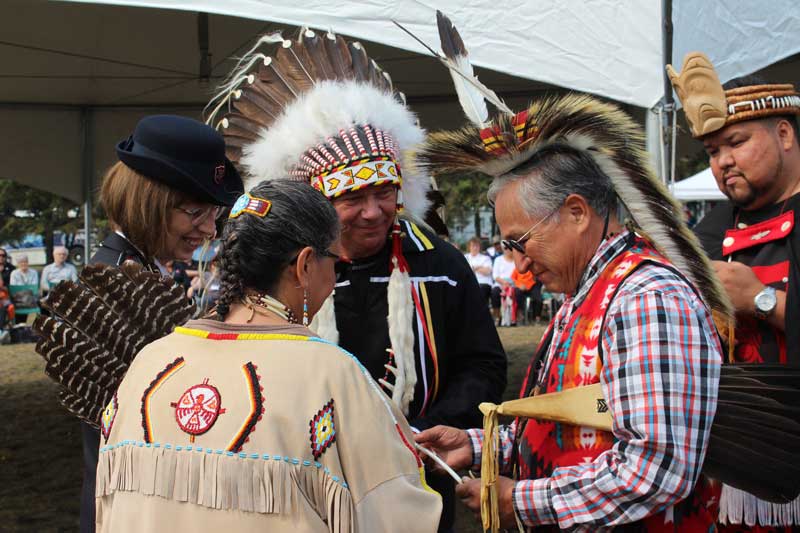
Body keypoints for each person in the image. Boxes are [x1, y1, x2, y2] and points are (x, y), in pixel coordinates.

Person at [206, 28, 507, 532]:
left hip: (417, 476)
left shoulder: (440, 266)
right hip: (305, 479)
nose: (373, 212)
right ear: (317, 204)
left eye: (385, 192)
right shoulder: (279, 273)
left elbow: (482, 361)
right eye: (353, 199)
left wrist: (436, 427)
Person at [416, 88, 728, 531]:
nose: (518, 262)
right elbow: (578, 419)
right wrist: (476, 446)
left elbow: (656, 469)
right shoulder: (590, 293)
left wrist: (522, 501)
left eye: (520, 242)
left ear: (577, 212)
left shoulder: (646, 296)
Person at [94, 180, 441, 532]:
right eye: (336, 263)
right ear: (306, 265)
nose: (335, 279)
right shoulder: (331, 375)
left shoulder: (148, 362)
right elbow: (395, 514)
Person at [76, 114, 244, 533]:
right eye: (195, 211)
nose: (208, 229)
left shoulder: (139, 272)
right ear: (147, 200)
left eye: (215, 213)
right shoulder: (117, 282)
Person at [669, 52, 800, 529]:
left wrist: (762, 301)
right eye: (711, 151)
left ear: (784, 133)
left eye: (736, 143)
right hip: (738, 470)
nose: (723, 162)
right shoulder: (713, 229)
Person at [491, 247, 516, 325]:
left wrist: (510, 284)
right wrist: (504, 282)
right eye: (505, 248)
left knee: (518, 293)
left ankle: (516, 318)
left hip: (513, 285)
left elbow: (520, 274)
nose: (508, 250)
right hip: (500, 284)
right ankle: (497, 317)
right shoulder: (498, 260)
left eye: (510, 248)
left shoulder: (517, 260)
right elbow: (495, 275)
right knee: (494, 292)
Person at [464, 237, 493, 305]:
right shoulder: (465, 257)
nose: (475, 248)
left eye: (477, 246)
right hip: (468, 283)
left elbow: (487, 271)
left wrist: (473, 268)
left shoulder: (485, 258)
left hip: (483, 283)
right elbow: (462, 271)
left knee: (480, 289)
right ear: (469, 247)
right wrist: (480, 267)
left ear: (480, 247)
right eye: (473, 246)